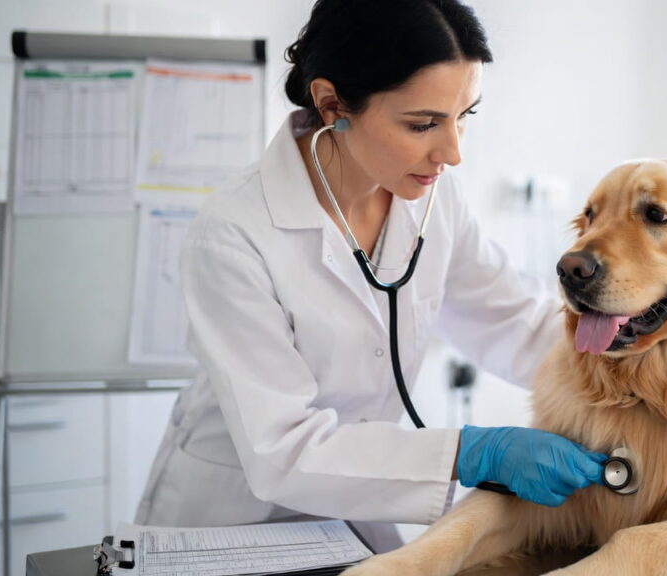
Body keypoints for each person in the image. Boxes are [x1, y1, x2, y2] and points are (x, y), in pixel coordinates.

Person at [136, 0, 607, 553]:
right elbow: (281, 453)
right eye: (423, 123)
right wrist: (473, 453)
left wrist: (632, 356)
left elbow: (515, 323)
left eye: (464, 116)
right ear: (332, 103)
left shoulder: (434, 200)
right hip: (232, 522)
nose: (452, 152)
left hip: (356, 518)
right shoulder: (234, 234)